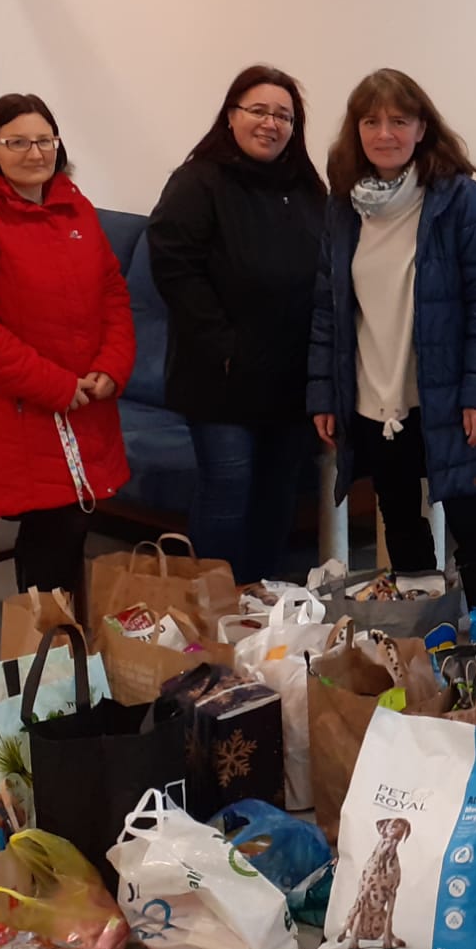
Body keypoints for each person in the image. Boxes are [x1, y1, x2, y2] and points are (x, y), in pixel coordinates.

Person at [308, 68, 476, 610]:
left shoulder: (458, 199)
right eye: (371, 121)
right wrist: (325, 395)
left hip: (443, 393)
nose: (385, 133)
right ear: (356, 131)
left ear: (422, 128)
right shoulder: (342, 207)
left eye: (399, 120)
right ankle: (425, 624)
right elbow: (328, 310)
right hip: (373, 393)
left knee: (469, 518)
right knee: (397, 512)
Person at [0, 94, 133, 607]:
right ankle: (47, 660)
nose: (34, 152)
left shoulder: (74, 207)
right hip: (22, 406)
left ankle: (70, 653)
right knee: (49, 529)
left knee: (74, 524)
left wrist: (112, 365)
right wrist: (55, 385)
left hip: (87, 403)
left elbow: (112, 292)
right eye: (16, 142)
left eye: (44, 140)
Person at [147, 64, 325, 583]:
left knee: (277, 495)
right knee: (228, 489)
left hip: (290, 378)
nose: (271, 124)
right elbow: (173, 265)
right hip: (221, 376)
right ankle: (216, 606)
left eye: (284, 116)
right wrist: (223, 344)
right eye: (259, 111)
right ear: (231, 116)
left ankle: (262, 606)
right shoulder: (199, 181)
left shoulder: (308, 188)